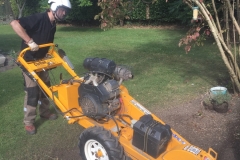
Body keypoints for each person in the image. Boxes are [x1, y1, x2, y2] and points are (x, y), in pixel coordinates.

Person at [10, 0, 72, 135]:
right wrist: (29, 41)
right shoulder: (38, 18)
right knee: (32, 92)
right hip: (28, 61)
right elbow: (14, 23)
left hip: (41, 60)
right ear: (54, 7)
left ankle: (45, 112)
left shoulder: (53, 24)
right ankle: (29, 122)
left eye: (66, 11)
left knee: (46, 88)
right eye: (62, 9)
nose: (64, 13)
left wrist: (47, 55)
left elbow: (47, 42)